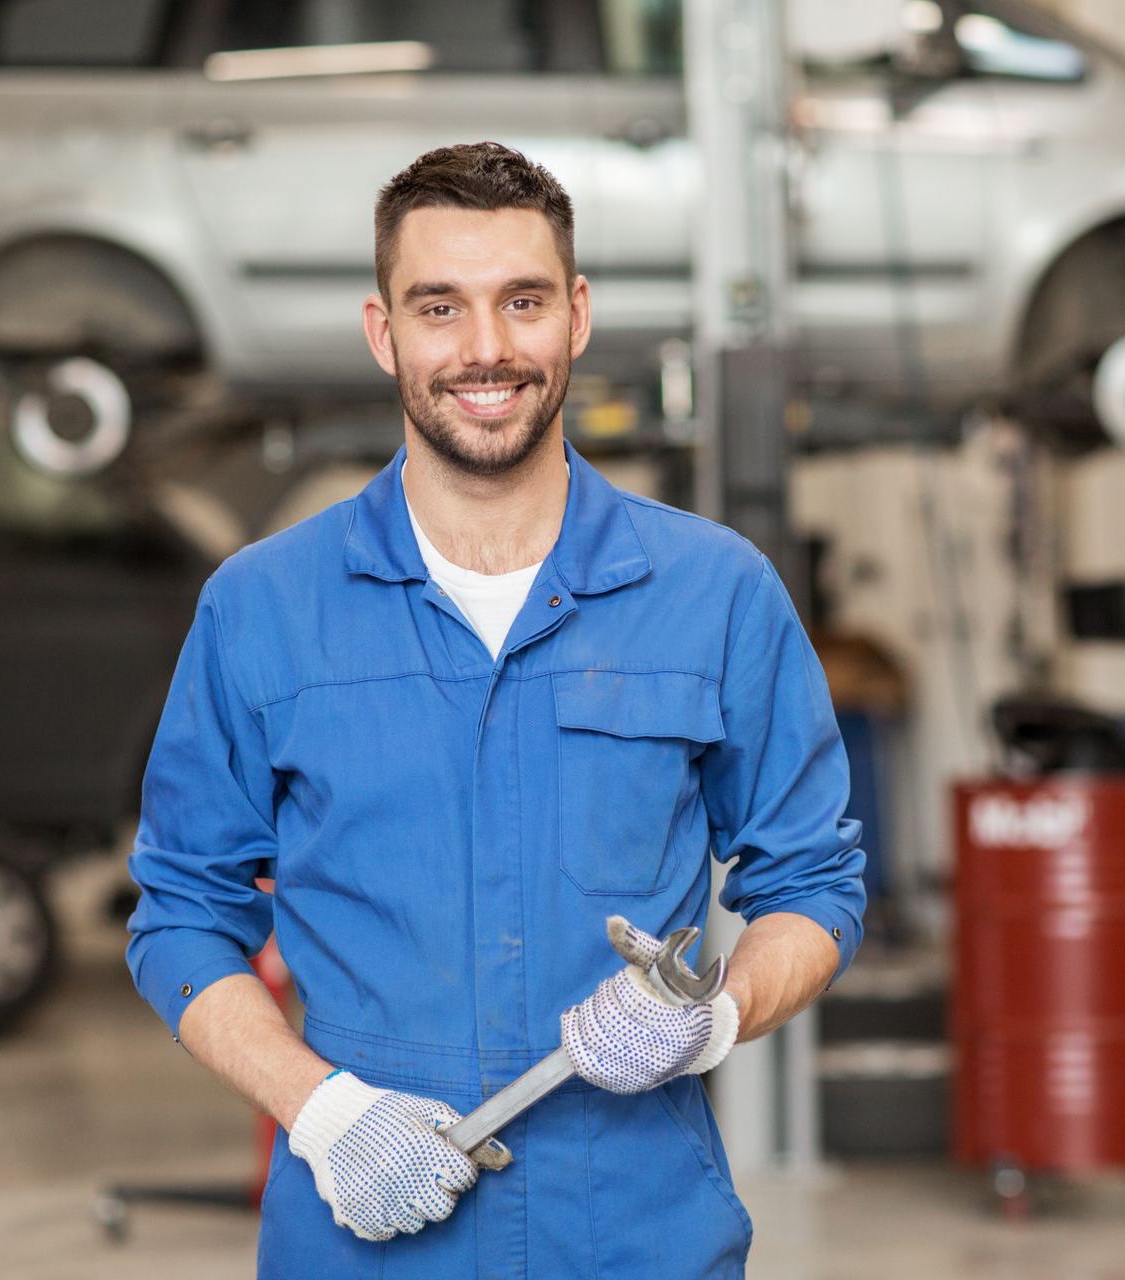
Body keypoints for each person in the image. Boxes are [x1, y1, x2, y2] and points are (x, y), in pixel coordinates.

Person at [126, 141, 865, 1280]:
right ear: (383, 333)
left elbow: (810, 885)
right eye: (439, 306)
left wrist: (711, 1015)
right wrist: (316, 1109)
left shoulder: (712, 592)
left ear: (573, 315)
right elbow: (181, 910)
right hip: (361, 1237)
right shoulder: (261, 608)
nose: (483, 349)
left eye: (520, 301)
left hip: (639, 1235)